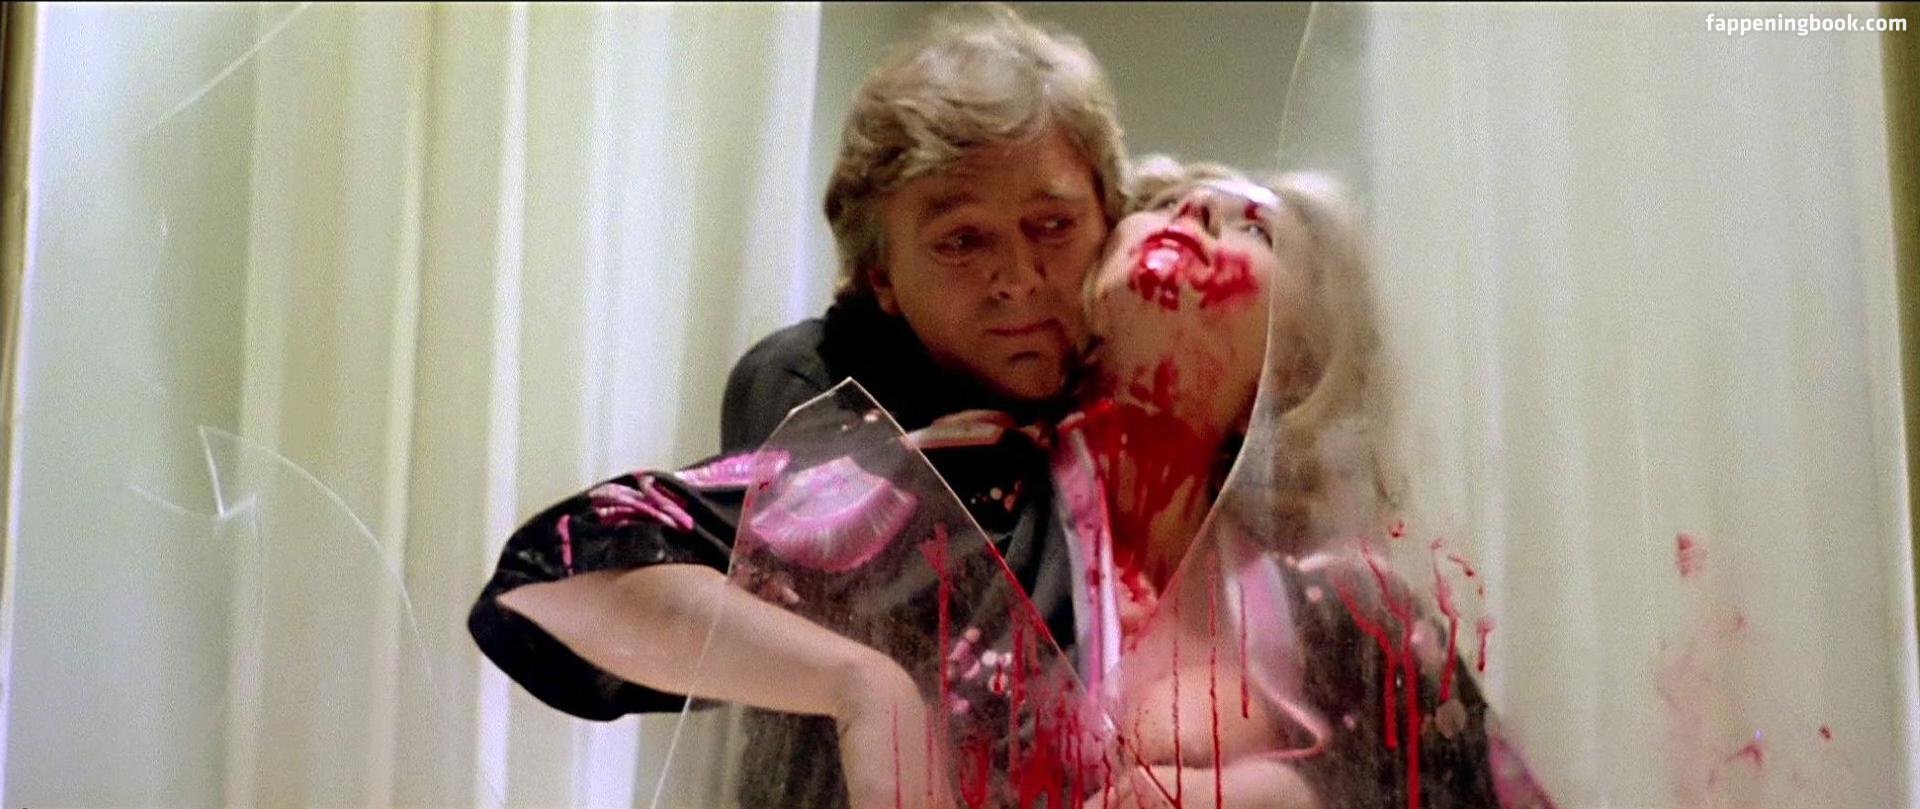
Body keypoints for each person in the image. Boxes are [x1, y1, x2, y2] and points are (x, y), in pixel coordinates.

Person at [467, 6, 1125, 809]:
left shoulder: (1155, 408)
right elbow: (551, 579)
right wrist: (863, 683)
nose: (1018, 278)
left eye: (1053, 225)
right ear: (881, 276)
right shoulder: (829, 398)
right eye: (962, 240)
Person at [1055, 158, 1557, 809]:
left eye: (1256, 231)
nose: (1194, 209)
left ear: (1291, 365)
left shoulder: (1353, 612)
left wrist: (1292, 797)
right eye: (1165, 201)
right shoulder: (973, 520)